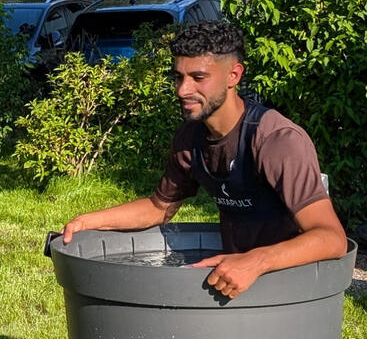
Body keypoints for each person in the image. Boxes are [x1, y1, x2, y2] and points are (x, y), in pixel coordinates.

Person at [61, 20, 347, 301]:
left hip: (294, 288)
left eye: (198, 78)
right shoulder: (190, 137)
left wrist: (256, 261)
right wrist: (87, 222)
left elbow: (332, 238)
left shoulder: (276, 140)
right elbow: (158, 208)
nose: (182, 90)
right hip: (235, 278)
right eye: (178, 77)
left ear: (233, 75)